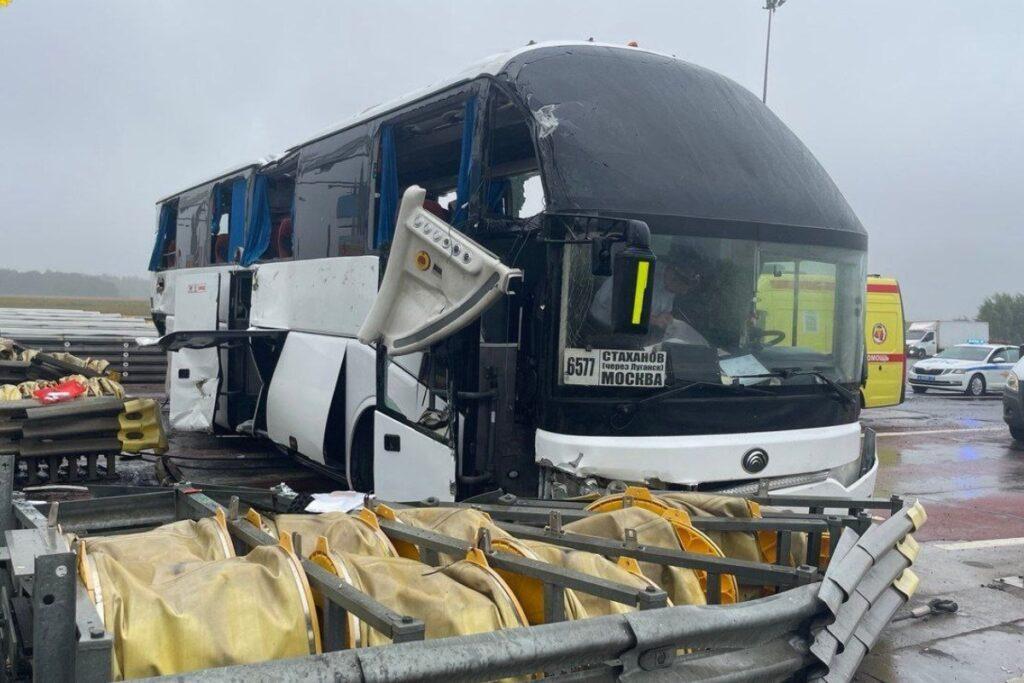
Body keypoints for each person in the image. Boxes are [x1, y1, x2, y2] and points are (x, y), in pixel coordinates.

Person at [589, 244, 710, 346]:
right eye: (685, 285)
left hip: (641, 336)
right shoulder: (641, 273)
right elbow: (624, 314)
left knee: (683, 331)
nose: (684, 292)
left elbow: (659, 312)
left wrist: (663, 318)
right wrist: (653, 320)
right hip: (604, 333)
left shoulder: (668, 283)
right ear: (674, 273)